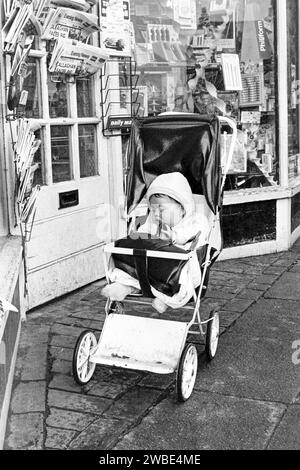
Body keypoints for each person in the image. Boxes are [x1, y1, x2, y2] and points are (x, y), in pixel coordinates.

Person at [101, 172, 210, 313]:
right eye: (153, 210)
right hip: (153, 270)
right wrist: (138, 238)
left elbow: (193, 234)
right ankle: (124, 287)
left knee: (186, 278)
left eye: (161, 209)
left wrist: (174, 236)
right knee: (134, 263)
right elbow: (143, 234)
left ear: (182, 208)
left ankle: (165, 299)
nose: (156, 214)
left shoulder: (195, 222)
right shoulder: (155, 222)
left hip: (178, 271)